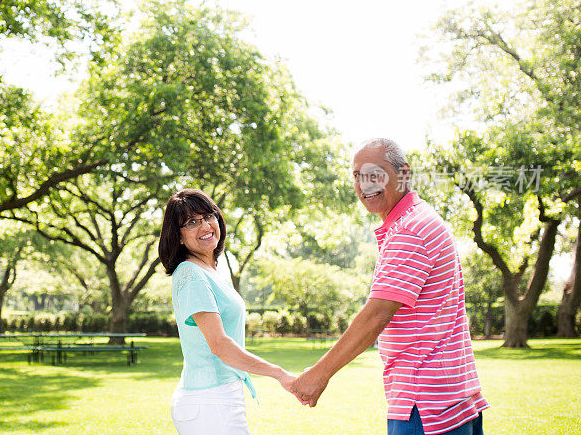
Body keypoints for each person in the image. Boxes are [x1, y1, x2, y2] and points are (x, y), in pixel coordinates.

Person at [292, 138, 489, 435]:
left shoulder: (409, 230)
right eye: (357, 176)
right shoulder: (417, 220)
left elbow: (376, 315)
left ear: (404, 174)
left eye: (375, 174)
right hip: (451, 398)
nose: (364, 184)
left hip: (426, 404)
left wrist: (319, 375)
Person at [159, 189, 297, 434]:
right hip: (209, 401)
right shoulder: (190, 273)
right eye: (191, 222)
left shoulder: (210, 271)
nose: (205, 226)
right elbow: (220, 344)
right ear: (178, 236)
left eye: (208, 216)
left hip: (218, 398)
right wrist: (279, 374)